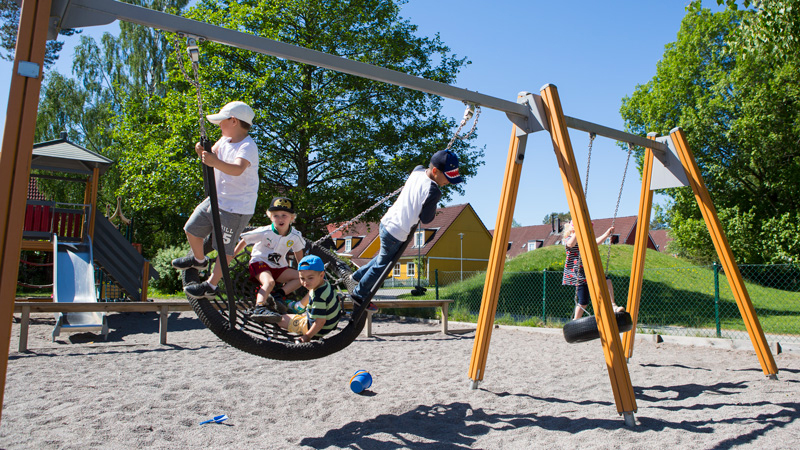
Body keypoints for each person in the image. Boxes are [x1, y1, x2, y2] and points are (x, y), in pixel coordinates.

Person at [349, 149, 462, 308]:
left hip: (386, 222)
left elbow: (422, 173)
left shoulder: (417, 170)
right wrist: (432, 202)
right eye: (448, 178)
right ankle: (359, 294)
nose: (449, 182)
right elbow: (426, 219)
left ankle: (355, 277)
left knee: (382, 258)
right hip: (397, 232)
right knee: (383, 265)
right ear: (435, 171)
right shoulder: (434, 191)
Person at [171, 101, 259, 299]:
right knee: (191, 228)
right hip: (217, 199)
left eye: (221, 121)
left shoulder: (247, 146)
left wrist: (214, 161)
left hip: (236, 207)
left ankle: (211, 285)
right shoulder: (225, 139)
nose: (219, 125)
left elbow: (237, 169)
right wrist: (201, 150)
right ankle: (200, 260)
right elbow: (211, 154)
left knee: (224, 248)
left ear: (234, 121)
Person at [233, 197, 304, 310]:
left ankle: (278, 294)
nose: (280, 219)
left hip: (278, 267)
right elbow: (245, 240)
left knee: (302, 277)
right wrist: (233, 254)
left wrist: (303, 268)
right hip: (260, 263)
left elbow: (298, 251)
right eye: (276, 215)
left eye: (284, 215)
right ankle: (259, 307)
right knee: (269, 282)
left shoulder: (295, 236)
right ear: (271, 217)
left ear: (292, 218)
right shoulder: (265, 231)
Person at [252, 255, 342, 343]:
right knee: (296, 314)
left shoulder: (318, 296)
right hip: (331, 323)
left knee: (282, 319)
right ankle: (295, 309)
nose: (305, 282)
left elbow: (320, 322)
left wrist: (307, 336)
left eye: (310, 278)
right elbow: (337, 299)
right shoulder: (326, 285)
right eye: (302, 278)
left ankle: (271, 312)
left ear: (321, 275)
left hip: (317, 330)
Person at [562, 220, 625, 320]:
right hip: (578, 273)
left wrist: (607, 234)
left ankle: (613, 305)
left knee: (607, 280)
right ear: (573, 228)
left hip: (589, 270)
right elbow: (571, 244)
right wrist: (579, 230)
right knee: (583, 301)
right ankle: (575, 321)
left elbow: (596, 242)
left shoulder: (585, 240)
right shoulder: (569, 239)